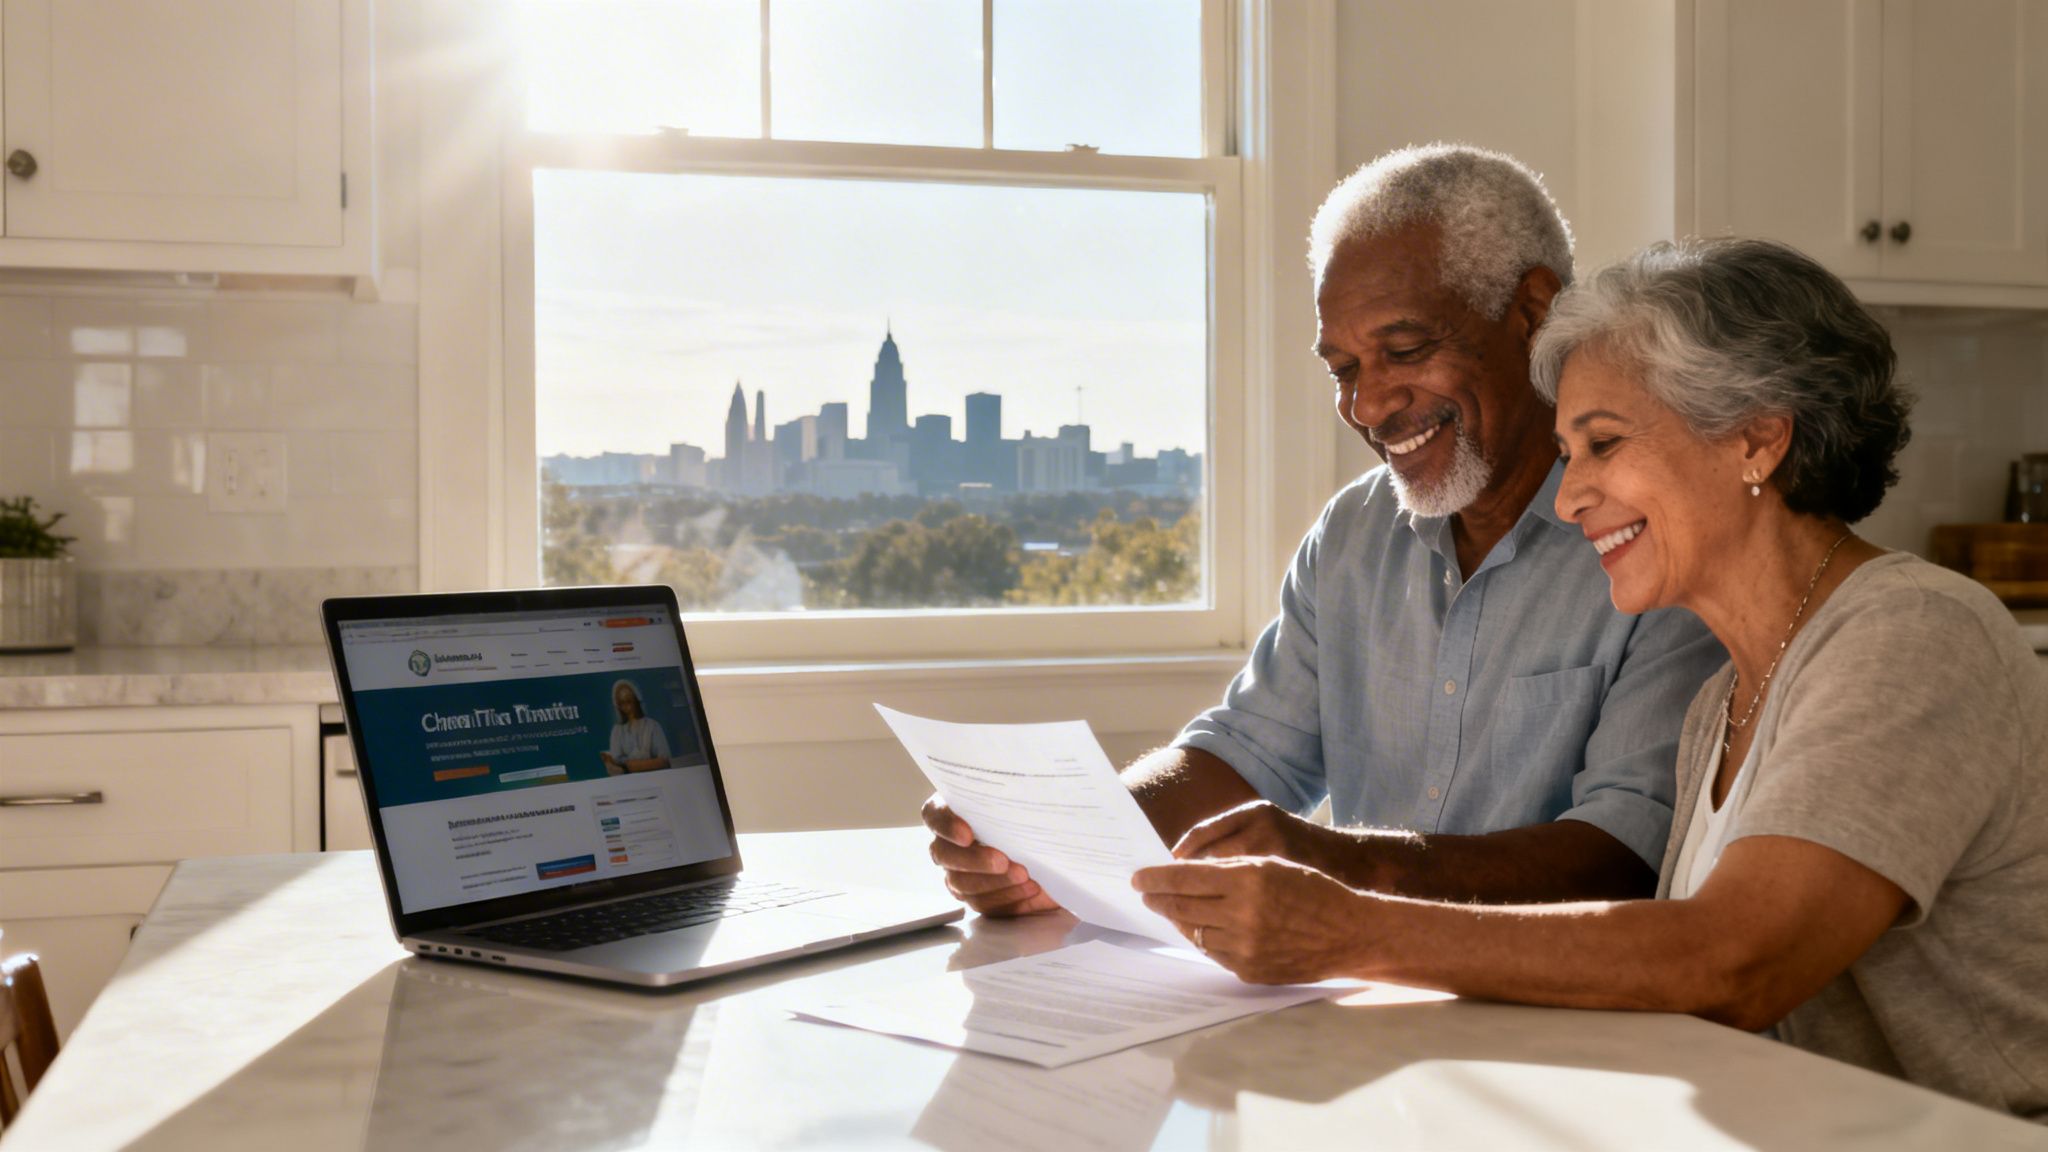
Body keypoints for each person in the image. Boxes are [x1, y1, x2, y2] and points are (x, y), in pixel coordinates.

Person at [1136, 237, 2048, 1120]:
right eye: (1569, 455)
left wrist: (1348, 928)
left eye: (1603, 445)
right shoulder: (1724, 701)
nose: (1570, 499)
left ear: (1756, 440)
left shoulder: (1914, 631)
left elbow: (1735, 960)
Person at [925, 143, 1724, 919]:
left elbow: (1627, 852)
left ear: (1533, 313)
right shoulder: (1354, 532)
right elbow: (1247, 752)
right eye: (1343, 370)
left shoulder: (1655, 538)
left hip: (1554, 1000)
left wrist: (1340, 864)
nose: (1367, 406)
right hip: (1356, 990)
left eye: (1404, 350)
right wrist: (1051, 842)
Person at [602, 679, 671, 774]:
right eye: (622, 703)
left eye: (629, 701)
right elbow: (616, 758)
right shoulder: (617, 731)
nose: (627, 707)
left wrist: (638, 765)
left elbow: (665, 759)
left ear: (636, 700)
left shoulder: (653, 726)